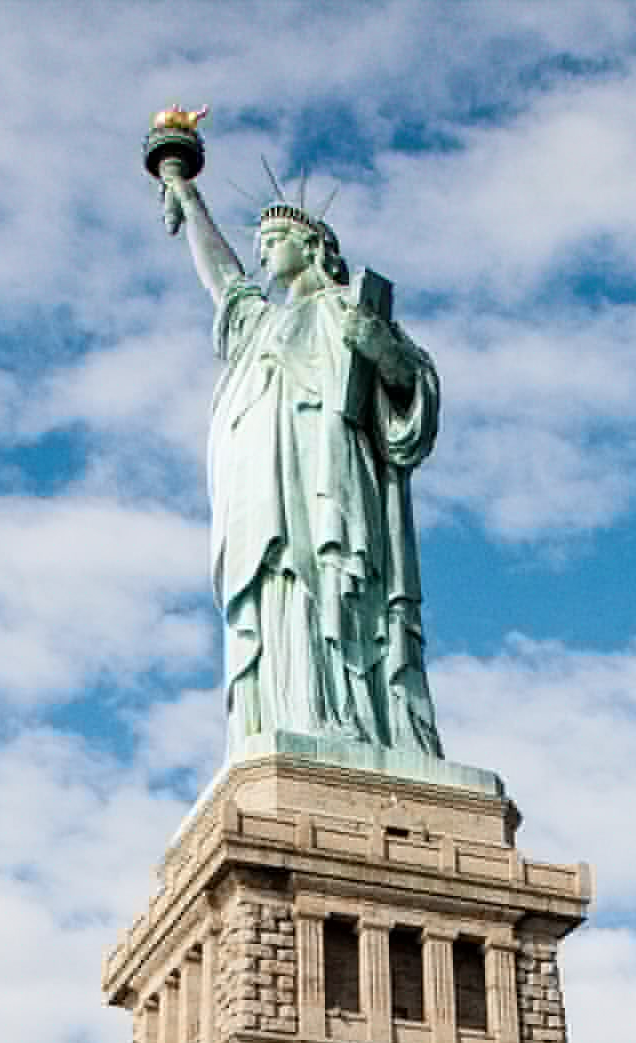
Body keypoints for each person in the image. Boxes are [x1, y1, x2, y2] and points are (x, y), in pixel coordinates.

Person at [158, 165, 444, 758]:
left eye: (274, 241)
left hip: (333, 485)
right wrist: (187, 197)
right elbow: (223, 277)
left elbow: (411, 396)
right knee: (282, 594)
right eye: (258, 245)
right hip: (265, 497)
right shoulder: (259, 323)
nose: (263, 255)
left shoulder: (350, 312)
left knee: (337, 588)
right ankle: (297, 715)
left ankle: (361, 725)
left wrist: (381, 349)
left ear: (312, 245)